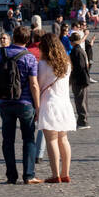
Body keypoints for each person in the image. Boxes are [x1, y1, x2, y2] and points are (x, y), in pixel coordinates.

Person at [0, 27, 42, 184]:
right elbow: (34, 84)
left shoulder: (1, 53)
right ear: (28, 40)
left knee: (8, 139)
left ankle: (11, 175)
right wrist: (38, 106)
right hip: (25, 102)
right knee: (28, 138)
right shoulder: (30, 57)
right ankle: (29, 175)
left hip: (5, 101)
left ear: (13, 37)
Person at [37, 35, 76, 183]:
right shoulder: (67, 64)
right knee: (63, 139)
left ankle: (55, 175)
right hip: (64, 104)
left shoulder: (42, 65)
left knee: (51, 140)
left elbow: (39, 85)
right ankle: (65, 173)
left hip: (49, 104)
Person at [68, 31, 90, 129]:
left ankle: (82, 121)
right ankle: (83, 119)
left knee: (80, 100)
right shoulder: (79, 49)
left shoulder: (75, 51)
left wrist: (73, 77)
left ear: (72, 41)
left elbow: (80, 67)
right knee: (82, 100)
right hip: (83, 78)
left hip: (79, 79)